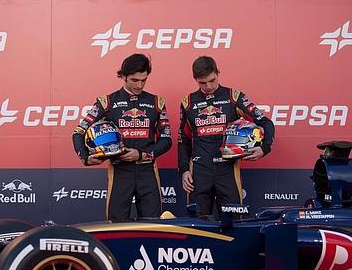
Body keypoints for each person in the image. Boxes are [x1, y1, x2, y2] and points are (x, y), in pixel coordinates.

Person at [72, 53, 172, 222]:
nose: (139, 85)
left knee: (153, 226)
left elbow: (166, 140)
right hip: (120, 171)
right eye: (134, 80)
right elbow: (78, 132)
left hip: (147, 171)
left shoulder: (156, 102)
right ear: (123, 76)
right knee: (116, 225)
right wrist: (85, 158)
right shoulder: (107, 102)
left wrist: (141, 155)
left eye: (144, 80)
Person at [178, 56, 275, 220]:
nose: (208, 86)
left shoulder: (234, 97)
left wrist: (264, 148)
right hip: (199, 170)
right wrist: (184, 170)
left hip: (228, 168)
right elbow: (184, 140)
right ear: (195, 79)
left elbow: (265, 122)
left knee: (234, 222)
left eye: (212, 80)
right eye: (202, 83)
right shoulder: (188, 102)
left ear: (218, 73)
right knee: (198, 224)